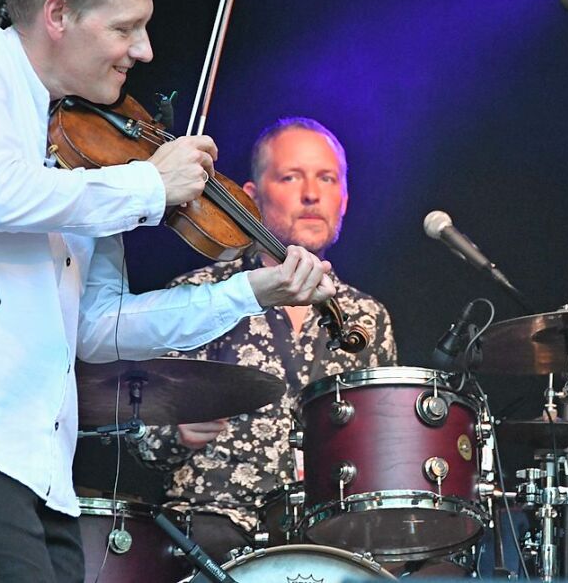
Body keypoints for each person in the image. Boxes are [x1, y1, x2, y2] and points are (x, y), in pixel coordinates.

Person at [0, 0, 335, 582]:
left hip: (34, 462)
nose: (143, 51)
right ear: (57, 14)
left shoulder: (88, 158)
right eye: (124, 28)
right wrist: (147, 181)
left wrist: (250, 290)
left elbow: (99, 327)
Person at [132, 118, 397, 559]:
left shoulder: (369, 317)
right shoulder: (196, 296)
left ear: (344, 199)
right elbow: (137, 438)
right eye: (291, 176)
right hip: (211, 532)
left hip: (329, 539)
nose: (311, 194)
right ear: (251, 198)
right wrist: (175, 430)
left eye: (326, 178)